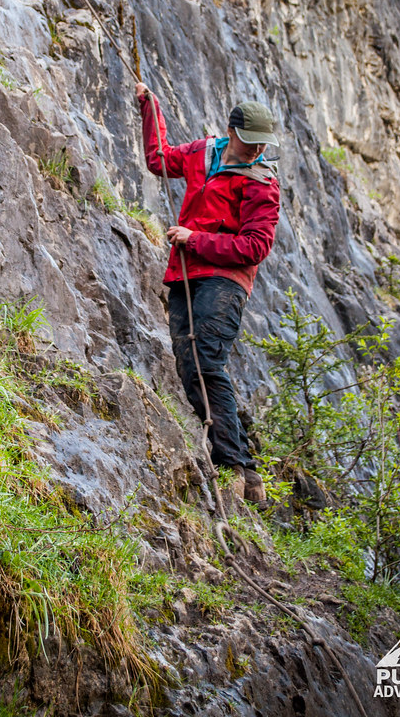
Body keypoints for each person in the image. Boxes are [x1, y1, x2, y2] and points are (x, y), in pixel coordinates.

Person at [136, 83, 280, 503]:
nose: (256, 150)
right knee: (187, 361)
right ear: (231, 132)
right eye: (249, 142)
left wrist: (194, 239)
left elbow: (255, 247)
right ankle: (234, 448)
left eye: (261, 144)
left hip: (226, 279)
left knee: (207, 359)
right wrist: (150, 106)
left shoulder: (261, 183)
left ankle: (240, 469)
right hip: (185, 274)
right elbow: (158, 160)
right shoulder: (203, 152)